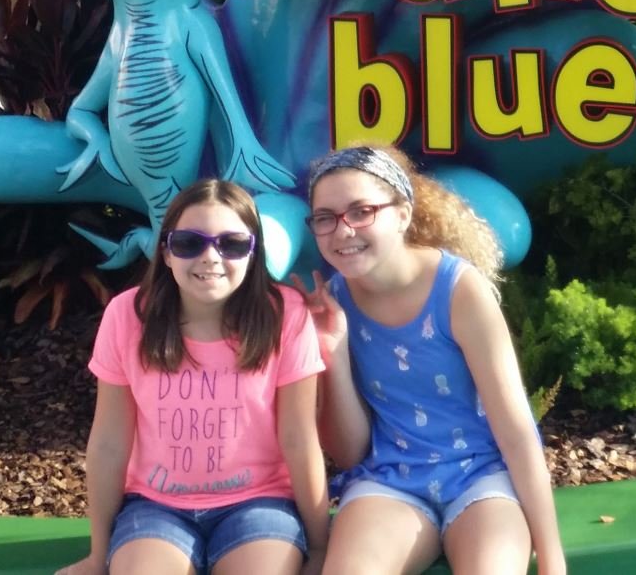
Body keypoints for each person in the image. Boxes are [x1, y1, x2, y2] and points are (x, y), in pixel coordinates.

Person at [291, 145, 566, 575]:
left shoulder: (458, 289)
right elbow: (349, 453)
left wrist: (552, 557)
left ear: (402, 213)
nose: (343, 231)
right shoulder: (335, 301)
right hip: (389, 481)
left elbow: (516, 432)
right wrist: (334, 353)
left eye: (361, 211)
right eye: (326, 217)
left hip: (481, 477)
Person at [59, 179, 330, 575]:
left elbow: (299, 438)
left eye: (232, 244)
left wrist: (320, 547)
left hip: (260, 502)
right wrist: (98, 556)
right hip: (155, 507)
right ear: (166, 253)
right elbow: (109, 443)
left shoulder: (285, 315)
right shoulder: (127, 315)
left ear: (253, 253)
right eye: (189, 243)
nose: (211, 257)